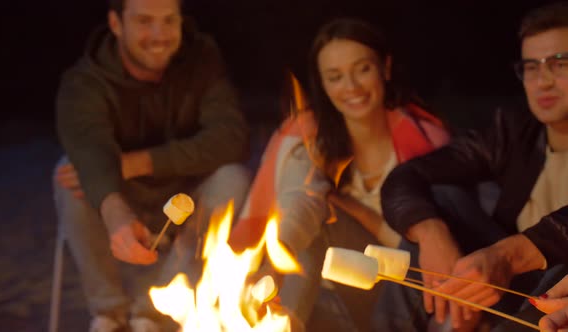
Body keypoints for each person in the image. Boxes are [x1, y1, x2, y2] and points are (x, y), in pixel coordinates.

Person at [229, 17, 449, 331]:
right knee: (309, 220)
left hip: (398, 297)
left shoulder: (428, 142)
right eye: (335, 77)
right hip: (319, 295)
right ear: (322, 83)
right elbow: (301, 202)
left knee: (326, 217)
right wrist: (273, 265)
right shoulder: (309, 137)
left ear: (385, 68)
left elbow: (420, 248)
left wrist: (349, 208)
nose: (351, 88)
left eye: (362, 69)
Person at [53, 0, 250, 331]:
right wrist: (116, 213)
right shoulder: (84, 82)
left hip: (184, 196)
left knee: (232, 177)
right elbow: (91, 150)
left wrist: (136, 162)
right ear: (116, 23)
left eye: (168, 21)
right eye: (145, 21)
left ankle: (153, 311)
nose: (159, 35)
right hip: (119, 200)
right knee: (70, 173)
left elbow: (231, 138)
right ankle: (109, 313)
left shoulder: (201, 60)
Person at [370, 2, 568, 331]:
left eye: (560, 63)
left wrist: (508, 255)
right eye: (531, 67)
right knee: (439, 204)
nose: (542, 81)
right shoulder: (513, 134)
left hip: (556, 298)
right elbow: (407, 176)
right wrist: (431, 234)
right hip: (513, 286)